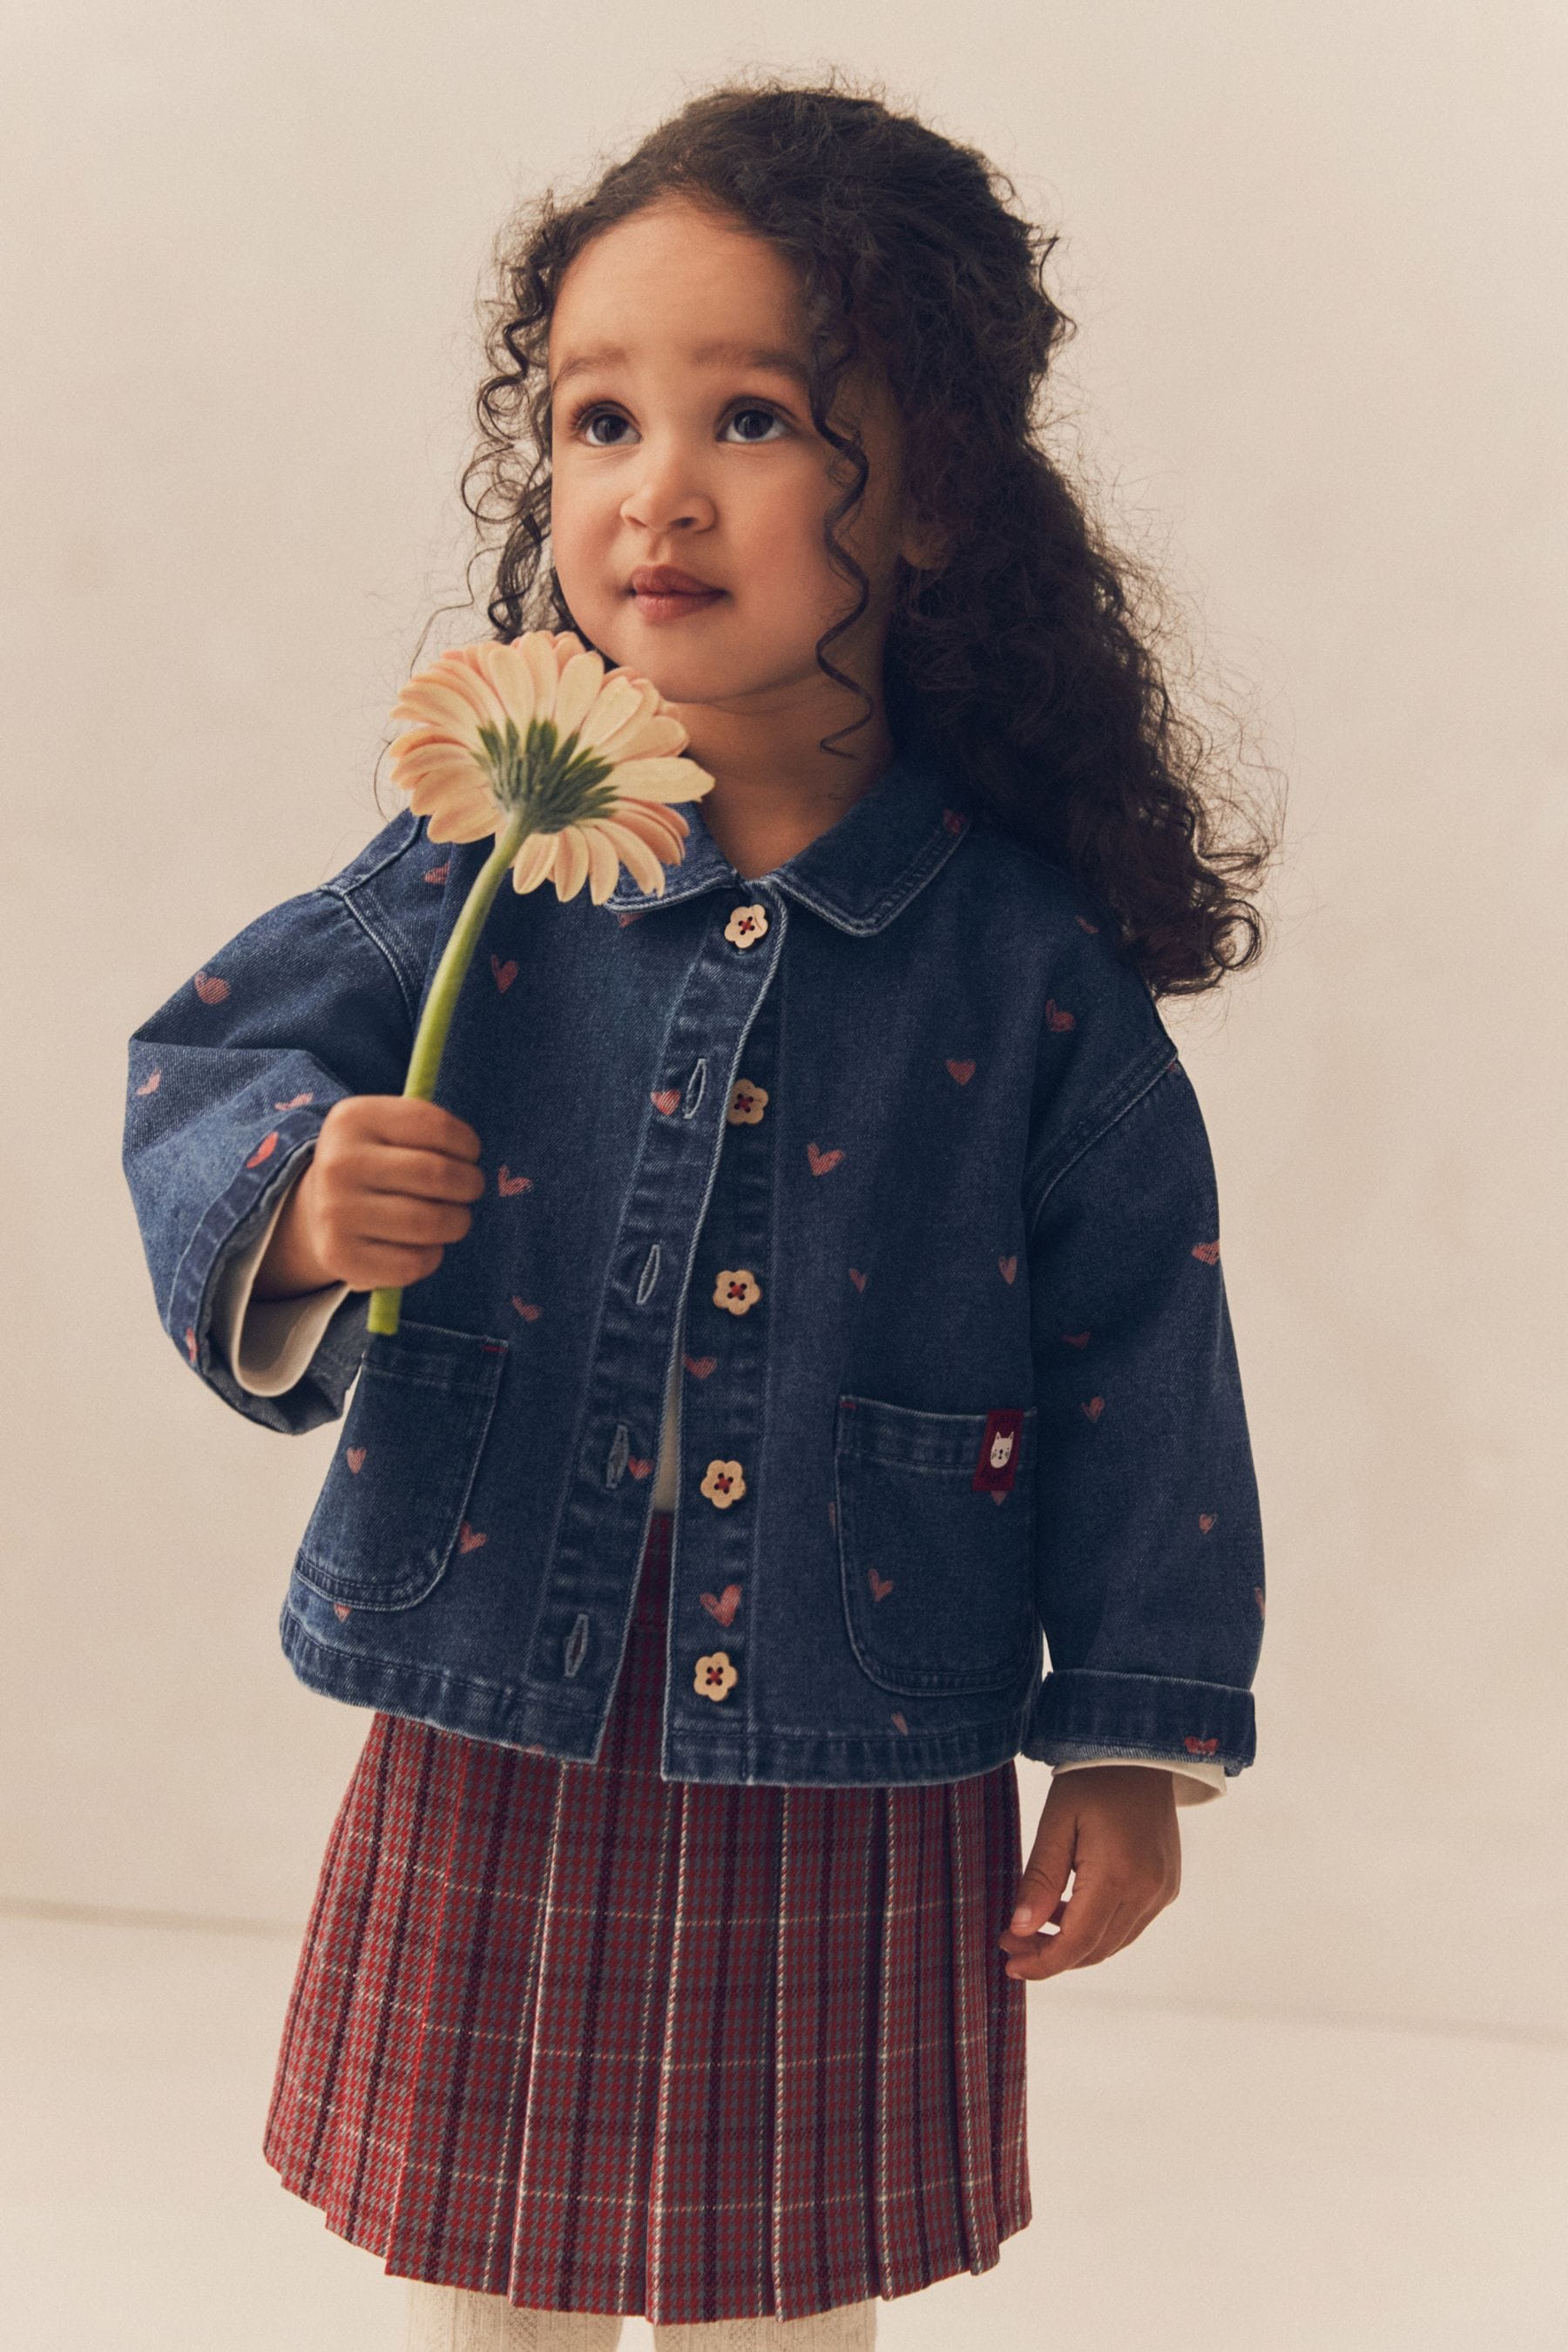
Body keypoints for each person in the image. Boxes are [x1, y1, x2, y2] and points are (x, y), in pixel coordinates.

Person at [121, 74, 1275, 2352]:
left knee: (784, 2295)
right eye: (594, 417)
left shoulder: (1018, 958)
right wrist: (294, 1195)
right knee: (486, 2267)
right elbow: (213, 1059)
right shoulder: (484, 859)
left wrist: (1134, 1737)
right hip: (495, 1681)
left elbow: (1147, 1344)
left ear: (930, 480)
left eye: (748, 413)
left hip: (854, 1718)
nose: (652, 487)